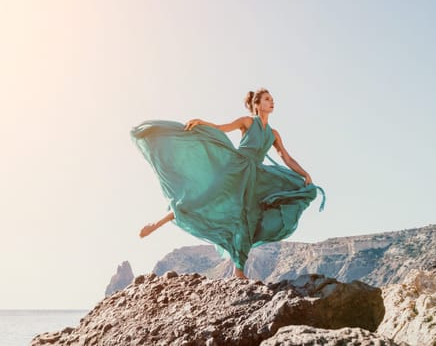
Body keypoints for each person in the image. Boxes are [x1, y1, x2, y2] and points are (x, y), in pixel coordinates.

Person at [130, 88, 325, 279]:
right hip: (235, 169)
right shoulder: (247, 122)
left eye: (272, 99)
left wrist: (304, 173)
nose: (271, 102)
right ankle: (158, 223)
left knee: (247, 218)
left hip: (255, 177)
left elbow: (287, 158)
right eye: (267, 99)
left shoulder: (274, 134)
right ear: (257, 105)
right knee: (204, 199)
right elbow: (222, 128)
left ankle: (238, 271)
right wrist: (203, 122)